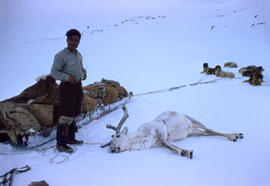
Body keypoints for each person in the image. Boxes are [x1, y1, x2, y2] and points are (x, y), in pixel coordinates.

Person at [51, 29, 87, 153]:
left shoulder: (79, 55)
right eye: (71, 40)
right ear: (67, 40)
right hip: (66, 87)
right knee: (66, 115)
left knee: (75, 112)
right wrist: (68, 78)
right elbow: (54, 72)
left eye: (76, 40)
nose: (74, 42)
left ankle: (71, 138)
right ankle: (61, 143)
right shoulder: (60, 55)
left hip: (78, 86)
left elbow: (80, 67)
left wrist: (83, 71)